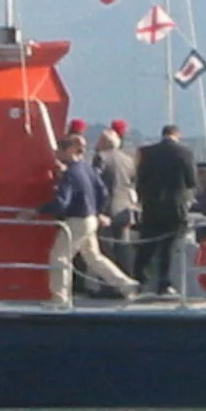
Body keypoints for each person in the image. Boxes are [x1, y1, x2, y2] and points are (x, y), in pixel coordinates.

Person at [40, 133, 138, 304]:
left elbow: (62, 202)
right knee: (94, 256)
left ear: (68, 151)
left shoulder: (71, 173)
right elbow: (103, 192)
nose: (56, 155)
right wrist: (98, 211)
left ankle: (60, 298)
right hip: (91, 218)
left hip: (76, 220)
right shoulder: (87, 168)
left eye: (59, 151)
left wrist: (38, 210)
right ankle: (126, 285)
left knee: (59, 257)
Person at [132, 124, 197, 297]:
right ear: (178, 135)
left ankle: (138, 279)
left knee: (147, 244)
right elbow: (192, 181)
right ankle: (163, 284)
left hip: (151, 206)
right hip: (174, 207)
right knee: (167, 247)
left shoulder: (147, 152)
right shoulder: (185, 153)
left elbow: (140, 179)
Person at [93, 122, 138, 287]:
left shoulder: (101, 158)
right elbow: (133, 182)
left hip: (106, 210)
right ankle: (128, 282)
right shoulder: (129, 160)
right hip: (125, 209)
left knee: (106, 251)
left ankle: (108, 286)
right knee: (123, 248)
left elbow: (95, 183)